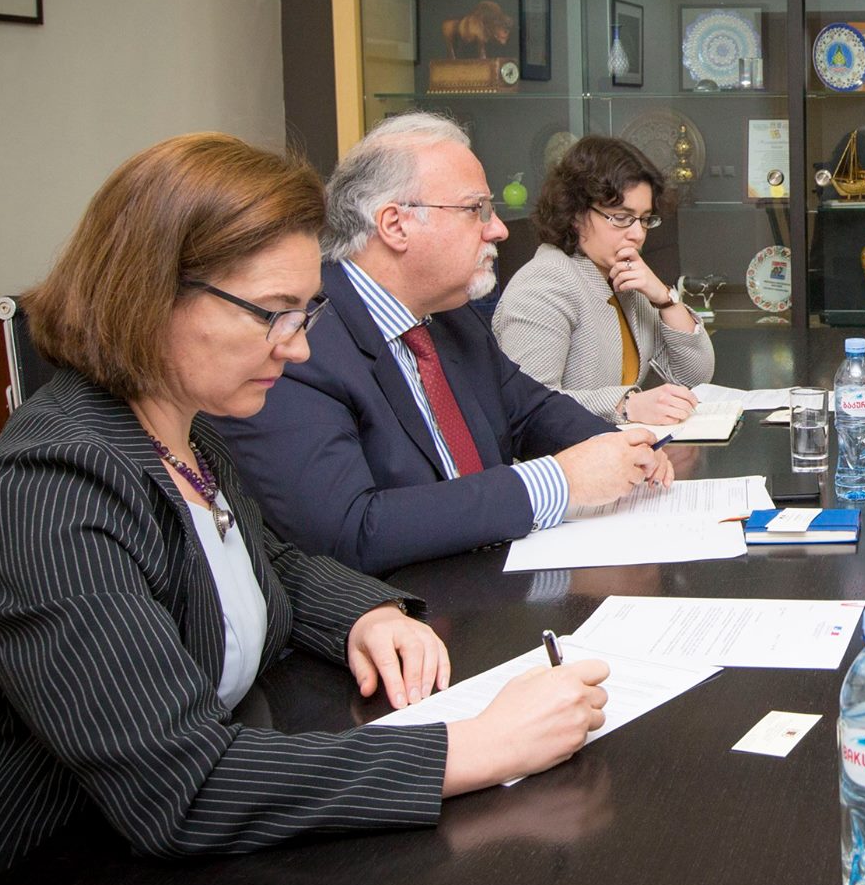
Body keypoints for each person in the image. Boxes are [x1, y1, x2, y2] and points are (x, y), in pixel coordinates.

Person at [0, 135, 612, 885]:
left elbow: (267, 560)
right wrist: (474, 748)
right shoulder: (53, 491)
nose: (298, 347)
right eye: (272, 313)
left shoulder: (184, 430)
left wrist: (363, 612)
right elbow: (181, 787)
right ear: (151, 295)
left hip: (126, 877)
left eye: (306, 313)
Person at [217, 113, 671, 576]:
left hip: (491, 581)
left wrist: (620, 446)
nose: (498, 229)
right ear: (395, 224)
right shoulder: (300, 342)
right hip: (402, 609)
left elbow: (530, 411)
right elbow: (350, 531)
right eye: (477, 210)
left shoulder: (451, 317)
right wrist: (559, 481)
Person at [492, 136, 713, 425]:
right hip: (567, 454)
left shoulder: (623, 278)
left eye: (645, 219)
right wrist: (626, 405)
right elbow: (528, 406)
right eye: (621, 217)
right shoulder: (543, 284)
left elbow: (694, 377)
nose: (638, 234)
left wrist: (664, 298)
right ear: (576, 214)